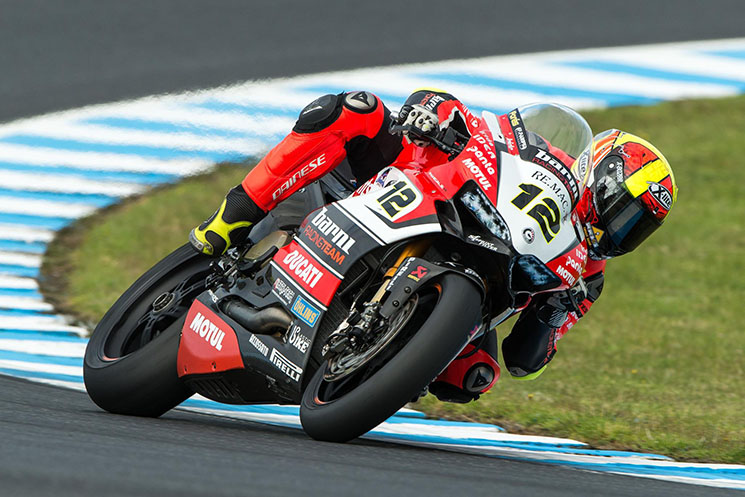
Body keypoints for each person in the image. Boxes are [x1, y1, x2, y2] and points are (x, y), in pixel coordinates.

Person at [189, 90, 678, 403]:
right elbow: (477, 123)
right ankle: (234, 215)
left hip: (481, 289)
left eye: (636, 227)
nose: (620, 229)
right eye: (623, 211)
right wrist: (434, 112)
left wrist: (551, 315)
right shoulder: (545, 154)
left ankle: (377, 358)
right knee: (355, 110)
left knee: (474, 376)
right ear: (597, 173)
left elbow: (524, 360)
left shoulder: (587, 276)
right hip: (431, 191)